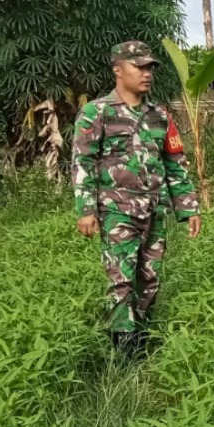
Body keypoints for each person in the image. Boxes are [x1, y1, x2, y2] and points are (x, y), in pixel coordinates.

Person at [72, 41, 202, 352]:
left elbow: (174, 162)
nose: (146, 74)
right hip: (117, 210)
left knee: (149, 277)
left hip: (154, 210)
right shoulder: (97, 112)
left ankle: (141, 336)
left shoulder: (159, 115)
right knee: (122, 279)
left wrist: (188, 207)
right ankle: (123, 347)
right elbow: (83, 162)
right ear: (118, 70)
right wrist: (86, 209)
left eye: (149, 68)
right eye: (139, 67)